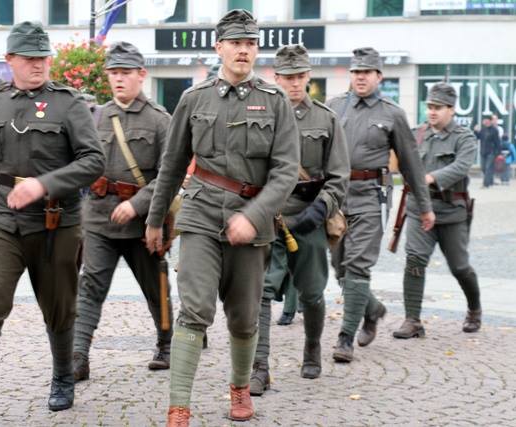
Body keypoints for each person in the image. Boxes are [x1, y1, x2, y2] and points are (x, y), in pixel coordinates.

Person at [0, 21, 105, 426]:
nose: (39, 65)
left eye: (43, 57)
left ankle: (63, 377)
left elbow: (93, 161)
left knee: (59, 307)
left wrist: (44, 185)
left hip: (55, 223)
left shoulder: (69, 104)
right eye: (30, 58)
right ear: (9, 60)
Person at [144, 9, 299, 425]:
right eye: (235, 43)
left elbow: (286, 171)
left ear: (256, 49)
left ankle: (240, 387)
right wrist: (155, 220)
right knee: (193, 310)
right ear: (219, 48)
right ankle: (179, 404)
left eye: (250, 43)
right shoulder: (195, 100)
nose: (243, 50)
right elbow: (172, 165)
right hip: (199, 214)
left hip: (253, 223)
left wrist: (255, 215)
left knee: (245, 319)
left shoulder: (276, 101)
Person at [249, 44, 349, 396]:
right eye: (287, 77)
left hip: (308, 216)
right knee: (259, 292)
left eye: (300, 76)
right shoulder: (258, 113)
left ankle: (312, 347)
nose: (294, 83)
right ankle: (259, 366)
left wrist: (320, 211)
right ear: (275, 78)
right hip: (268, 215)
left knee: (311, 293)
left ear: (308, 76)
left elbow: (339, 176)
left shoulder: (326, 119)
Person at [72, 41, 174, 381]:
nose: (119, 80)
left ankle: (165, 343)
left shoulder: (160, 121)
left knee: (155, 285)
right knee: (91, 286)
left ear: (141, 75)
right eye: (114, 73)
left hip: (144, 223)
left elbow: (168, 176)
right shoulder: (97, 116)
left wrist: (138, 206)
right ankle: (79, 355)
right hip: (99, 218)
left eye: (126, 73)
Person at [327, 47, 435, 363]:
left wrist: (425, 207)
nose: (360, 78)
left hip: (371, 197)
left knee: (358, 266)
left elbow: (412, 164)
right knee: (340, 269)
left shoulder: (392, 113)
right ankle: (372, 309)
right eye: (356, 72)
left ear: (379, 77)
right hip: (337, 197)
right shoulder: (334, 107)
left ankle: (345, 338)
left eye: (367, 72)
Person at [394, 82, 481, 338]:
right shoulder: (417, 134)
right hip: (420, 209)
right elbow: (402, 161)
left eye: (438, 108)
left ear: (451, 110)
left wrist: (430, 178)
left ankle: (474, 309)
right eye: (429, 107)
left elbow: (462, 166)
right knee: (414, 260)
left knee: (460, 267)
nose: (432, 112)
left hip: (452, 211)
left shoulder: (464, 137)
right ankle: (412, 320)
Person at [475, 116, 501, 188]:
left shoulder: (494, 130)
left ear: (489, 121)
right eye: (484, 120)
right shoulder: (483, 129)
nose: (484, 122)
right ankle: (490, 181)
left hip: (491, 152)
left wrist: (498, 152)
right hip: (483, 152)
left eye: (486, 120)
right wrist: (476, 131)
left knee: (488, 168)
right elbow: (478, 137)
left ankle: (485, 184)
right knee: (483, 168)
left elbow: (497, 142)